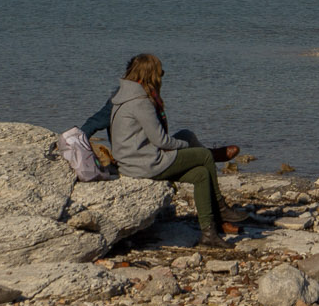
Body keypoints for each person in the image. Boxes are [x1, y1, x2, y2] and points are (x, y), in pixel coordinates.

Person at [80, 53, 246, 245]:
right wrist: (80, 143)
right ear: (151, 76)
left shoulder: (127, 95)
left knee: (199, 169)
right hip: (144, 161)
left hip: (140, 155)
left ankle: (209, 234)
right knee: (203, 156)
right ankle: (221, 206)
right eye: (161, 74)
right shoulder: (139, 101)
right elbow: (160, 140)